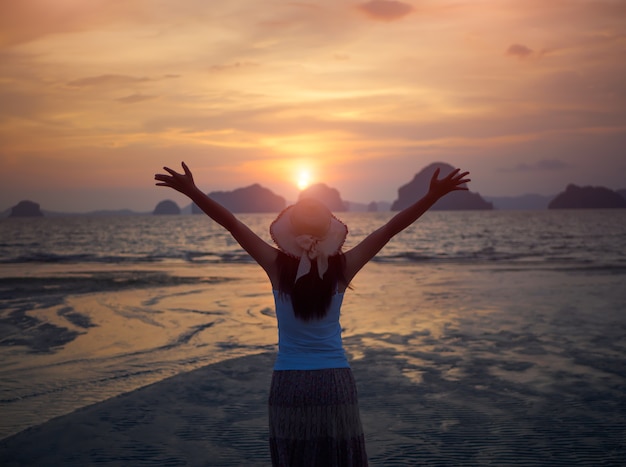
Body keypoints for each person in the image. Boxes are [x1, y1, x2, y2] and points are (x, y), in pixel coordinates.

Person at [154, 162, 470, 466]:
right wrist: (432, 196)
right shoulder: (342, 268)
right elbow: (389, 229)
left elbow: (232, 223)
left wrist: (193, 192)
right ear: (328, 231)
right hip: (335, 381)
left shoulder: (276, 266)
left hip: (289, 384)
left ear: (289, 231)